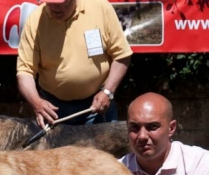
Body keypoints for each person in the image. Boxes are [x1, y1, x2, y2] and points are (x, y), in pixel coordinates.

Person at [16, 0, 132, 128]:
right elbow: (25, 71)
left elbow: (121, 55)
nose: (55, 7)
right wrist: (36, 102)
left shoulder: (100, 8)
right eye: (50, 2)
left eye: (61, 3)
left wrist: (108, 92)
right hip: (52, 111)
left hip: (97, 106)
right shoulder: (35, 20)